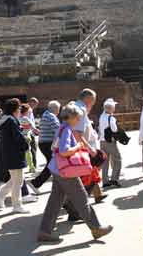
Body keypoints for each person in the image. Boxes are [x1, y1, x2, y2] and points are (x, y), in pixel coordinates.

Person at [37, 103, 113, 243]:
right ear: (71, 117)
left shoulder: (61, 128)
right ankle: (96, 228)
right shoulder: (66, 130)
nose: (79, 119)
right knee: (82, 199)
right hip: (66, 171)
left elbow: (55, 147)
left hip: (57, 168)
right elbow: (65, 151)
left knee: (55, 201)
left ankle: (44, 231)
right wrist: (78, 146)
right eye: (78, 116)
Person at [0, 105, 36, 204]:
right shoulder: (9, 121)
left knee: (13, 176)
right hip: (7, 152)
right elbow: (16, 138)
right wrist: (25, 145)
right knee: (15, 176)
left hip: (0, 150)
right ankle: (19, 197)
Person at [0, 98, 31, 214]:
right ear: (15, 109)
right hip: (14, 154)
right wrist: (26, 143)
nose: (20, 109)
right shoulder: (12, 121)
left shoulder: (5, 120)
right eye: (19, 107)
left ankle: (0, 195)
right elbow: (18, 138)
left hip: (8, 153)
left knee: (16, 179)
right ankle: (17, 205)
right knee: (18, 181)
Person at [28, 101, 61, 194]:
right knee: (52, 164)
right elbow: (58, 130)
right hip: (48, 143)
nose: (59, 112)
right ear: (56, 109)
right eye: (58, 109)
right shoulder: (51, 116)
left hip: (45, 143)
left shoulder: (46, 115)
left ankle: (38, 183)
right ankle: (35, 183)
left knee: (53, 164)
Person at [99, 98, 122, 187]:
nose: (114, 108)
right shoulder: (111, 117)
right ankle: (114, 179)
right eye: (113, 107)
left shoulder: (102, 116)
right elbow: (114, 129)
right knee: (117, 159)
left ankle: (105, 181)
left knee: (105, 161)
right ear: (111, 109)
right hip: (110, 142)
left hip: (102, 141)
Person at [19, 104, 35, 173]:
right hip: (26, 137)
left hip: (20, 137)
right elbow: (33, 128)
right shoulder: (26, 118)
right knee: (28, 152)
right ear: (26, 111)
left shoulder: (17, 118)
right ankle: (31, 167)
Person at [28, 97, 40, 168]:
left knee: (32, 149)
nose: (36, 106)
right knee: (33, 148)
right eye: (35, 104)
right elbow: (29, 121)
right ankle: (33, 165)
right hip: (30, 132)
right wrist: (35, 129)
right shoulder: (29, 110)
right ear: (31, 102)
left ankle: (33, 164)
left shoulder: (29, 110)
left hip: (30, 131)